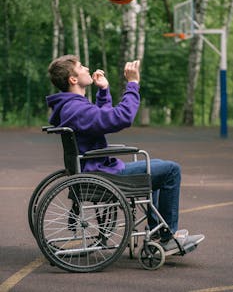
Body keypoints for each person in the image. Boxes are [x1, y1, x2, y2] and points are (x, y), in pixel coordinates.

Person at [46, 54, 204, 256]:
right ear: (73, 79)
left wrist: (103, 90)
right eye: (81, 67)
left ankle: (157, 233)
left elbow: (100, 121)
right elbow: (122, 117)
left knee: (156, 167)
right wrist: (133, 84)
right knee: (171, 170)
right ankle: (166, 237)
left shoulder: (72, 106)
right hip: (102, 175)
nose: (87, 68)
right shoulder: (76, 109)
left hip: (97, 170)